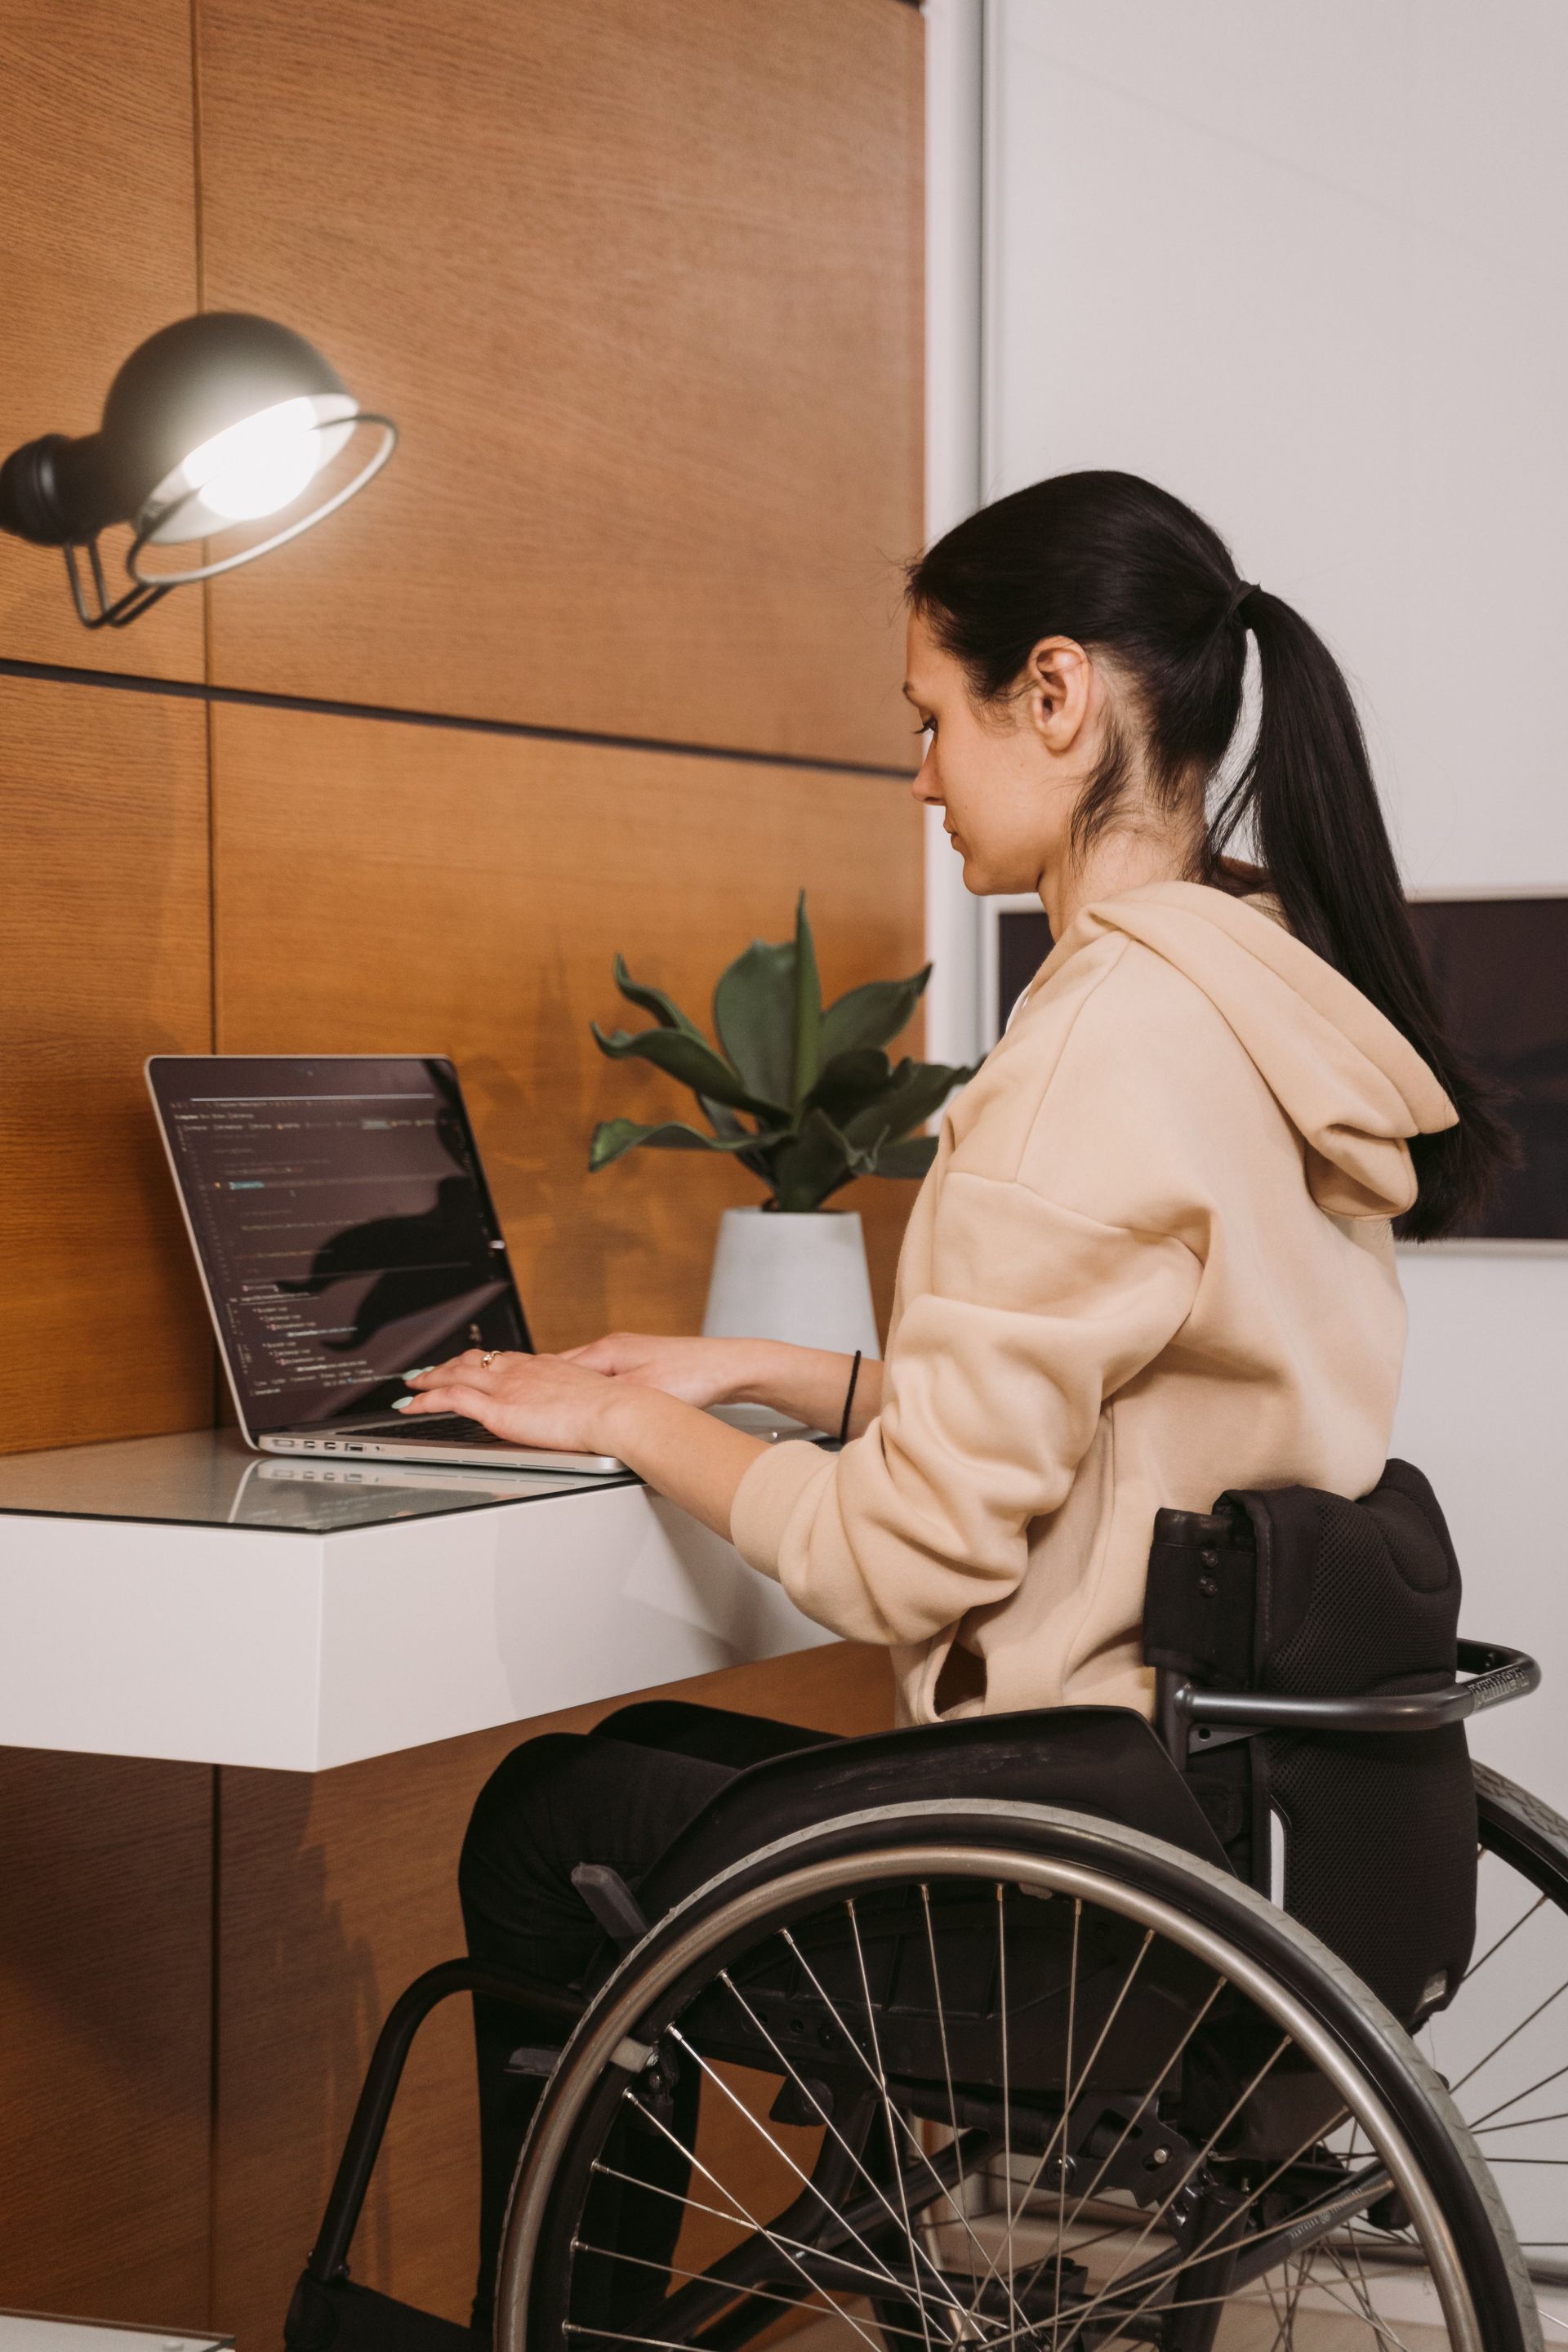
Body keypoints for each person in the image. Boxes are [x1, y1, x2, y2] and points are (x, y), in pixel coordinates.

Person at [394, 470, 1507, 2331]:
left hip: (1083, 1888)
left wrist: (622, 1426)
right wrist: (761, 1374)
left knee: (544, 1820)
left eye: (932, 716)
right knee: (648, 1780)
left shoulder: (1090, 1051)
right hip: (1270, 1841)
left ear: (1056, 698)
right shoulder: (1256, 1004)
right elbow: (1143, 1409)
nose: (917, 773)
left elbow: (910, 1558)